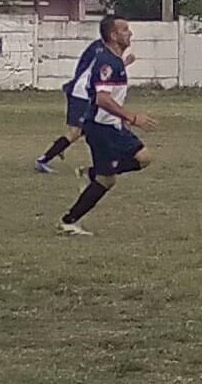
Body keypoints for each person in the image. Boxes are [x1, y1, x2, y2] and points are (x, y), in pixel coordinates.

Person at [58, 14, 156, 236]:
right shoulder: (107, 63)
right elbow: (103, 99)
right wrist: (132, 117)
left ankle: (87, 177)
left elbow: (111, 96)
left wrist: (122, 120)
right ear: (113, 35)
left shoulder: (114, 61)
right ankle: (69, 220)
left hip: (111, 125)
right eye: (124, 30)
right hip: (101, 128)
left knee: (138, 161)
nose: (129, 33)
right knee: (109, 178)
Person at [35, 40, 135, 175]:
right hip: (82, 94)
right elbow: (100, 70)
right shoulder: (101, 49)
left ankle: (60, 147)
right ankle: (44, 159)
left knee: (88, 127)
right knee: (77, 131)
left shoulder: (103, 50)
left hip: (86, 93)